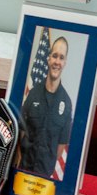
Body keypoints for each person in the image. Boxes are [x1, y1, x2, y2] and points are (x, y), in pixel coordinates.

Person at [17, 34, 73, 177]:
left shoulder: (66, 103)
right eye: (54, 56)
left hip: (44, 178)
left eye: (61, 57)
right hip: (23, 170)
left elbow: (60, 148)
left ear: (65, 62)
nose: (57, 61)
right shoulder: (33, 94)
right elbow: (21, 131)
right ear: (48, 59)